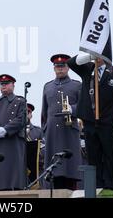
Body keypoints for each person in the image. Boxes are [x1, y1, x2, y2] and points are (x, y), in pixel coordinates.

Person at [67, 53, 113, 189]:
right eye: (96, 54)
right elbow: (71, 63)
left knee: (109, 155)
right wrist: (89, 55)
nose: (98, 57)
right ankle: (96, 187)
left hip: (108, 121)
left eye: (100, 54)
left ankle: (110, 186)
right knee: (93, 157)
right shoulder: (87, 69)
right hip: (89, 121)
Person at [41, 54, 82, 190]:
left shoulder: (77, 85)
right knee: (54, 169)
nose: (60, 69)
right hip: (53, 132)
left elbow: (84, 106)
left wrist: (73, 109)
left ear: (68, 67)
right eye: (57, 67)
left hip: (69, 130)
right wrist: (45, 130)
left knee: (70, 169)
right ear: (54, 68)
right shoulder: (47, 86)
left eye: (63, 66)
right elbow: (44, 112)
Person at [0, 74, 26, 190]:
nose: (3, 86)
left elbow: (22, 118)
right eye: (2, 84)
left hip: (13, 141)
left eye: (7, 84)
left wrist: (7, 129)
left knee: (13, 169)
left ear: (13, 85)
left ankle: (15, 189)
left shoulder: (20, 101)